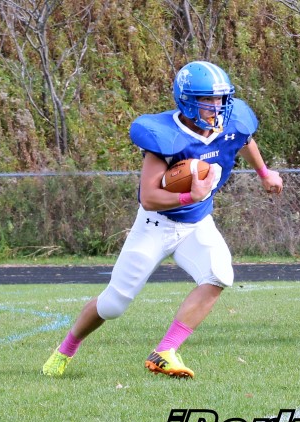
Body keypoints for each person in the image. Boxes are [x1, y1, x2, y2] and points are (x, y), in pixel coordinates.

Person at [42, 61, 283, 378]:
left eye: (220, 98)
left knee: (219, 275)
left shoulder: (234, 122)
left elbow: (244, 140)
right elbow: (149, 197)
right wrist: (188, 197)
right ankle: (65, 350)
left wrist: (264, 173)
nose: (216, 106)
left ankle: (165, 351)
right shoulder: (166, 136)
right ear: (187, 101)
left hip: (197, 223)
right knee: (113, 305)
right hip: (156, 225)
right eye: (207, 99)